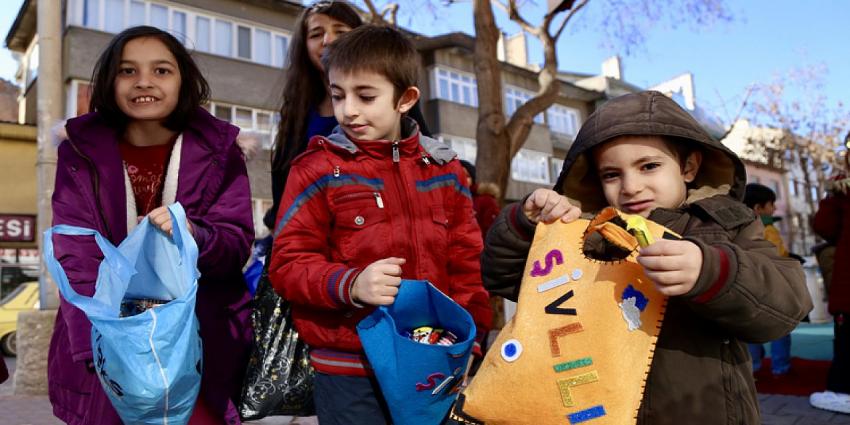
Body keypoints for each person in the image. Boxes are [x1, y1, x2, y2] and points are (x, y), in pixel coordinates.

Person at [481, 90, 812, 424]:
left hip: (704, 412)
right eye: (612, 174)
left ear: (689, 167)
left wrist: (711, 271)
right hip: (599, 410)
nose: (631, 186)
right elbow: (506, 277)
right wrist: (526, 227)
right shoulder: (593, 236)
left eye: (649, 166)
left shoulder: (727, 225)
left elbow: (787, 304)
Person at [268, 25, 492, 425]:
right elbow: (287, 264)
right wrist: (350, 284)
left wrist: (468, 343)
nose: (348, 109)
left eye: (365, 96)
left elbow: (467, 265)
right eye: (338, 95)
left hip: (433, 364)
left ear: (405, 99)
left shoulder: (446, 172)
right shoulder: (316, 169)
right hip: (348, 369)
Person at [48, 26, 254, 425]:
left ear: (184, 80)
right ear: (108, 81)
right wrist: (98, 344)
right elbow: (74, 252)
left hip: (196, 343)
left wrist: (192, 235)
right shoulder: (79, 151)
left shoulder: (223, 152)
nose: (144, 81)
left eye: (162, 70)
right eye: (127, 71)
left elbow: (234, 244)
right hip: (108, 340)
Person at [268, 0, 430, 234]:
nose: (327, 40)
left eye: (340, 31)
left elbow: (423, 150)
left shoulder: (393, 100)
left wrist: (463, 169)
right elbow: (282, 176)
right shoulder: (296, 109)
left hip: (379, 227)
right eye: (316, 33)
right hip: (312, 233)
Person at [809, 147, 850, 414]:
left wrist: (833, 195)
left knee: (847, 342)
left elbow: (824, 227)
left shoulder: (843, 192)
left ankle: (842, 392)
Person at [743, 183, 794, 376]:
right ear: (758, 208)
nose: (774, 208)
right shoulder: (768, 228)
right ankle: (781, 367)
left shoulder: (737, 226)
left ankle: (754, 366)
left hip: (748, 285)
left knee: (750, 329)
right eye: (771, 204)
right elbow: (778, 254)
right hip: (772, 285)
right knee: (780, 327)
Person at [459, 160, 501, 236]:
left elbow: (493, 233)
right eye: (457, 175)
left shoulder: (486, 201)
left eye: (467, 176)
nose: (462, 179)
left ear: (472, 180)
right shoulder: (440, 202)